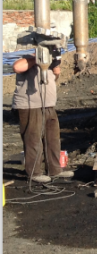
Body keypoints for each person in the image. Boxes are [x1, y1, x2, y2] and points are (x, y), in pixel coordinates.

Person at [12, 54, 74, 183]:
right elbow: (17, 67)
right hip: (30, 106)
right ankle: (34, 173)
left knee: (53, 139)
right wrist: (38, 58)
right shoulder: (27, 58)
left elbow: (55, 76)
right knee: (33, 139)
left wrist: (56, 68)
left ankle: (55, 170)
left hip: (49, 105)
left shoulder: (51, 61)